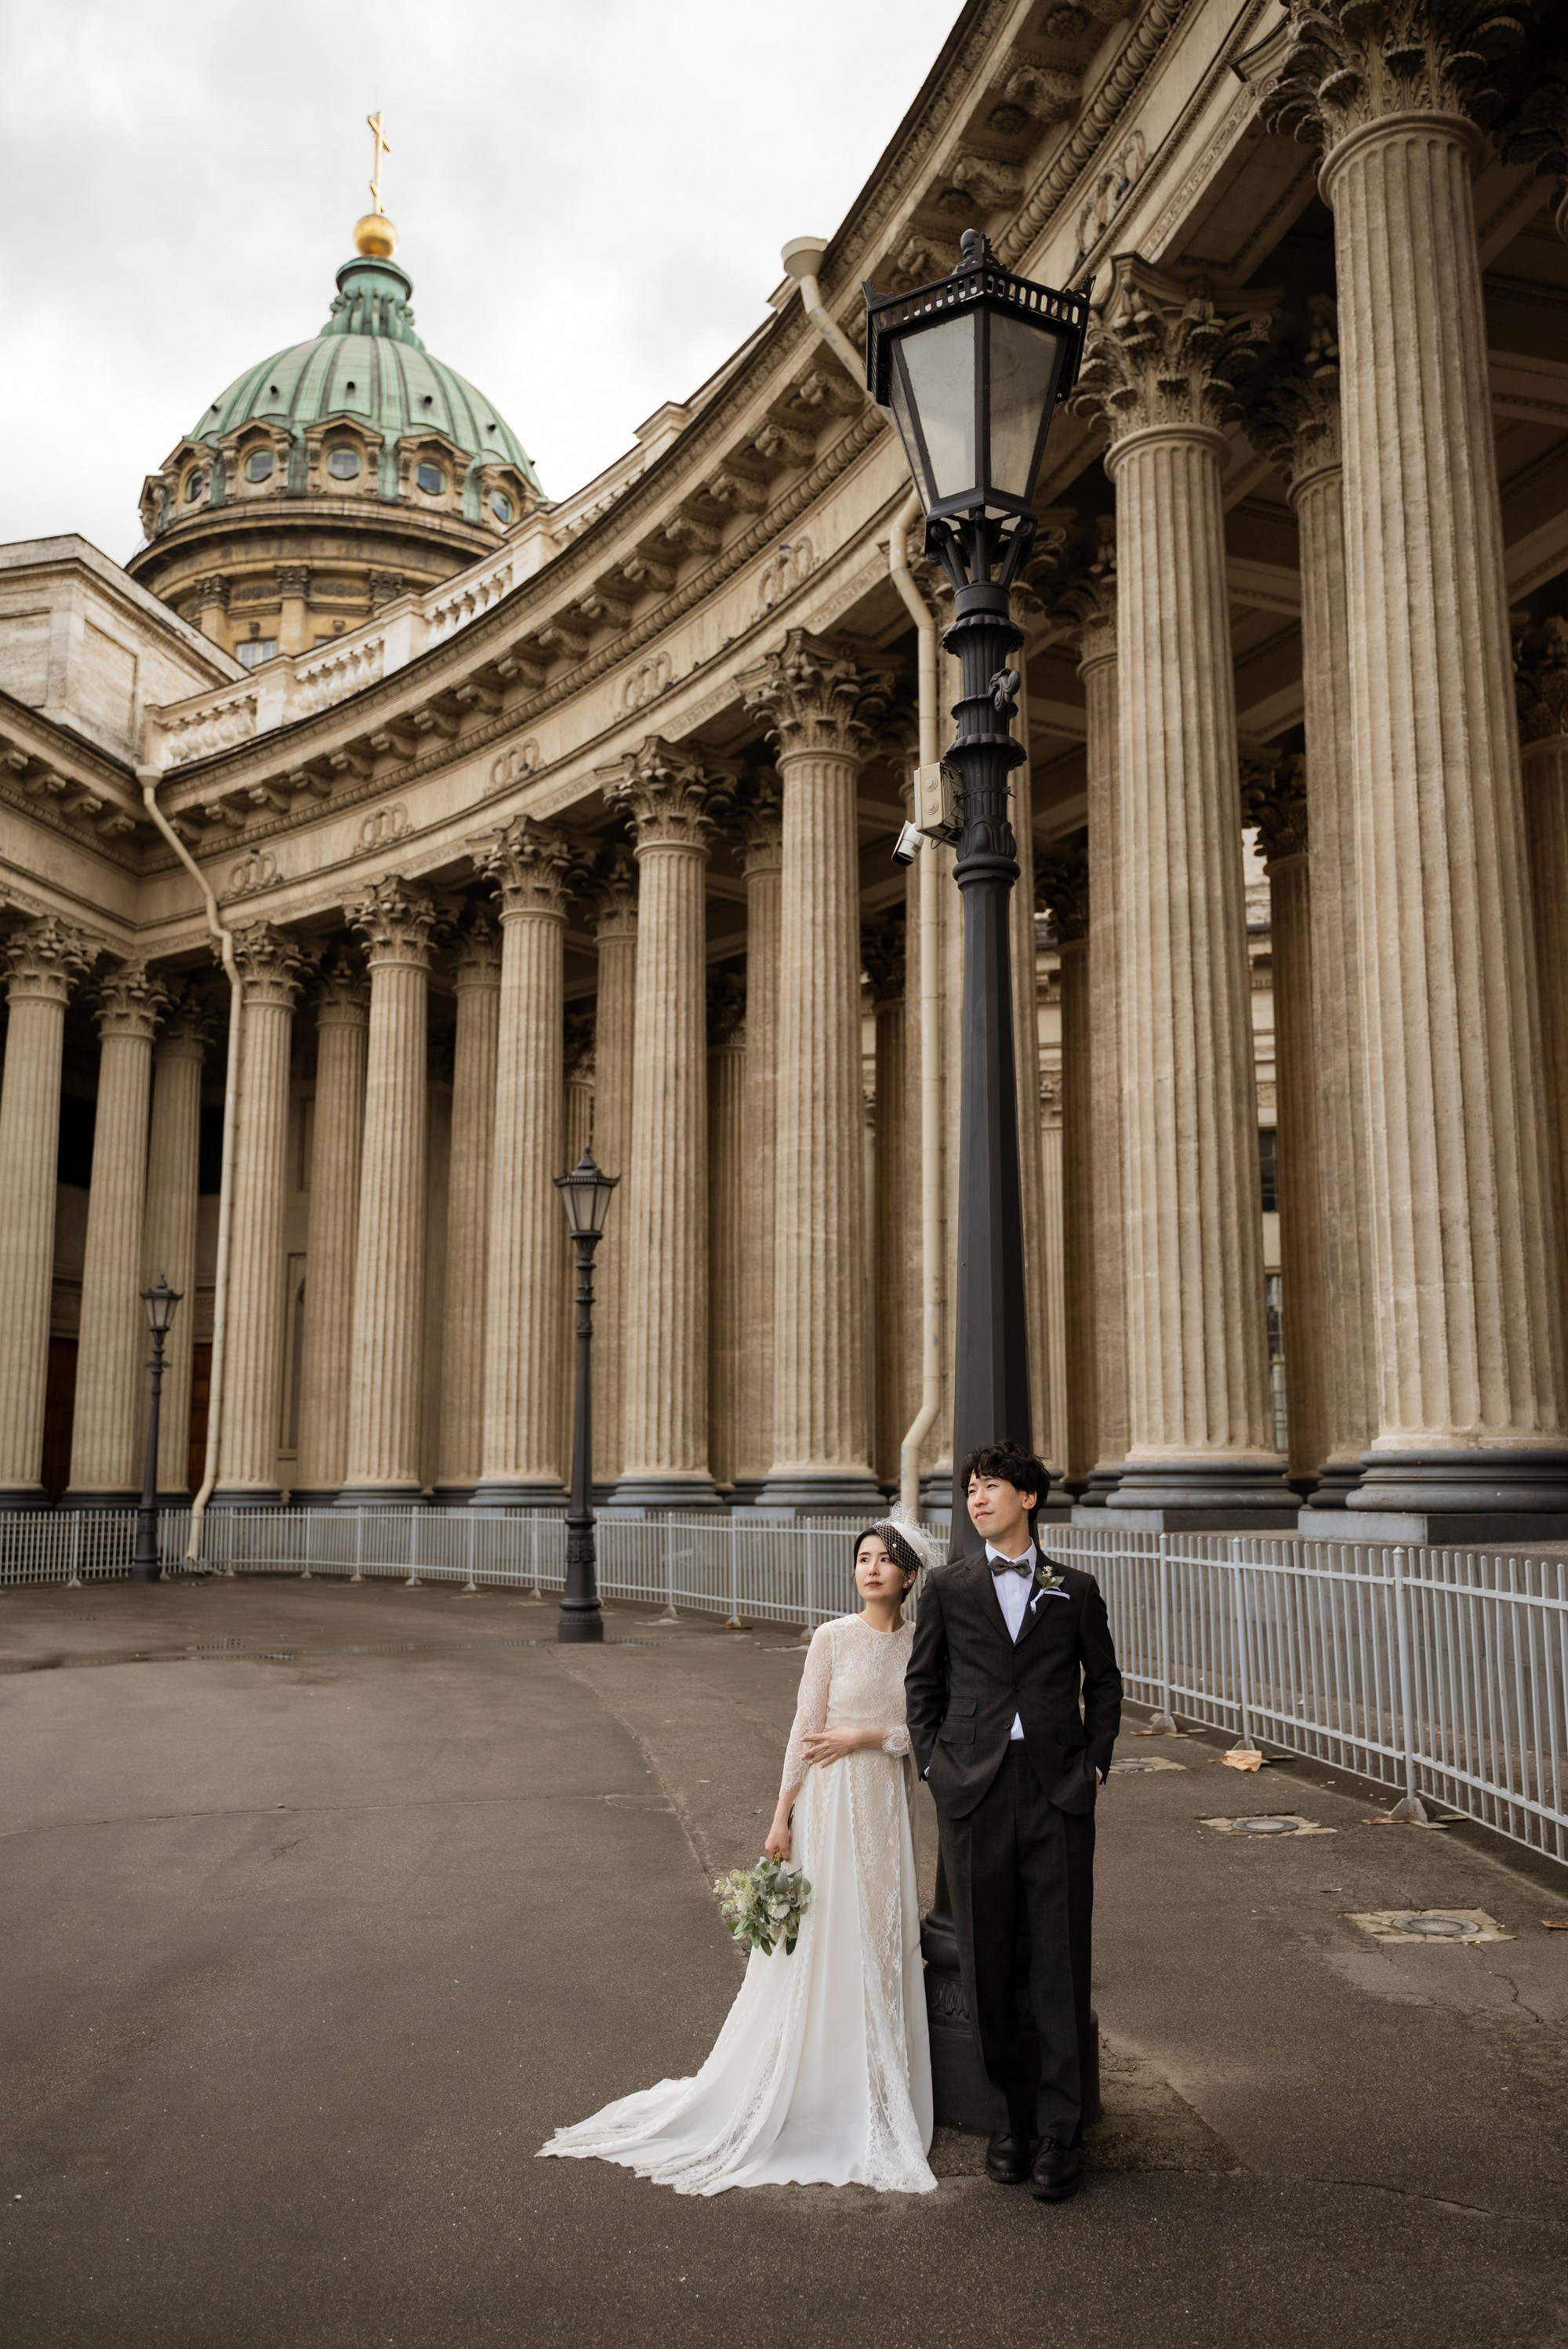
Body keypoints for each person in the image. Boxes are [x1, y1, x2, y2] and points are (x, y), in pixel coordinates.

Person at [538, 1516, 945, 2195]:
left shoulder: (920, 1647)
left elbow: (925, 1730)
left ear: (908, 1575)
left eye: (885, 1560)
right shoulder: (832, 1638)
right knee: (824, 1937)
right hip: (827, 1803)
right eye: (863, 1559)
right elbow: (802, 1731)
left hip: (882, 1804)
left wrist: (868, 1735)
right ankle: (812, 2082)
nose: (871, 1569)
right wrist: (781, 1818)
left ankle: (874, 2081)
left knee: (877, 1934)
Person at [905, 1440, 1121, 2203]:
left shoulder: (1074, 1587)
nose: (975, 1498)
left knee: (1059, 1960)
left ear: (1027, 1497)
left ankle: (1061, 2131)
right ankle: (1010, 2122)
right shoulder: (947, 1586)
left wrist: (1093, 1763)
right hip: (973, 1794)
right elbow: (921, 1683)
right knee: (988, 1961)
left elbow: (1103, 1679)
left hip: (1055, 1792)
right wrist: (934, 1764)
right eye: (968, 1488)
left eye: (989, 1486)